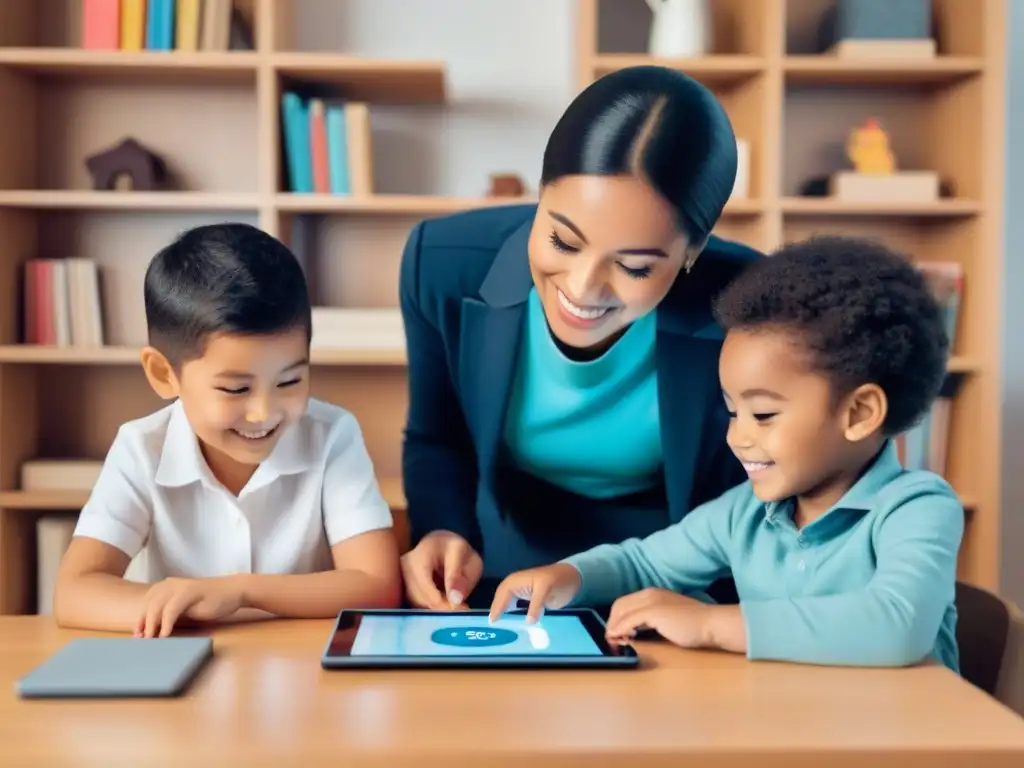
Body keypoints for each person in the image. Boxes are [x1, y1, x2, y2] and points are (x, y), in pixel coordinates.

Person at [489, 236, 964, 671]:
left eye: (762, 415)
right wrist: (567, 576)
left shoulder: (915, 507)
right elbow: (645, 563)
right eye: (732, 412)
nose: (737, 437)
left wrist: (711, 624)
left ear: (859, 413)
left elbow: (897, 624)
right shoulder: (748, 511)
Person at [398, 65, 761, 611]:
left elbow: (762, 484)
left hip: (675, 577)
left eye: (635, 266)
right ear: (540, 195)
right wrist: (442, 531)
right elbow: (436, 436)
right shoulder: (443, 265)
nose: (583, 288)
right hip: (504, 565)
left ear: (694, 250)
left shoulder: (752, 306)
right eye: (563, 242)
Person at [53, 223, 402, 638]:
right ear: (164, 374)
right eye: (236, 388)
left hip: (307, 670)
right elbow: (74, 592)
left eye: (290, 381)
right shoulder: (142, 447)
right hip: (190, 673)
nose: (264, 412)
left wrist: (238, 591)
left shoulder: (332, 435)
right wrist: (182, 607)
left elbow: (378, 585)